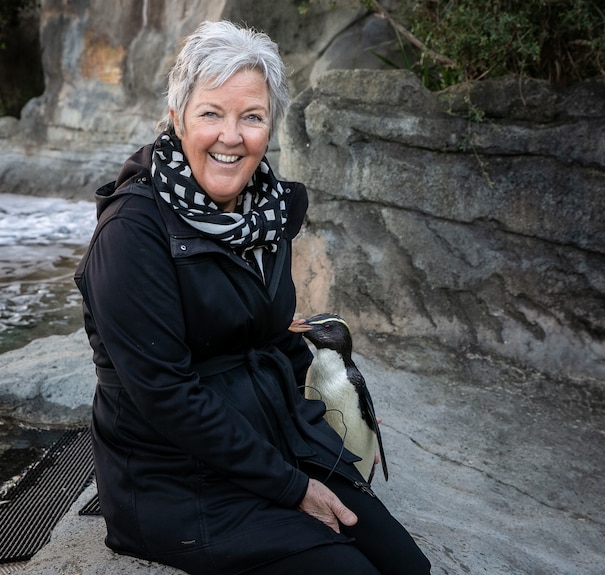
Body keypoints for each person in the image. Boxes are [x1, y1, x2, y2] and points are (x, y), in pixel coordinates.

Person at [74, 19, 431, 575]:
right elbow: (165, 395)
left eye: (252, 117)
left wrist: (339, 415)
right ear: (177, 119)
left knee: (409, 569)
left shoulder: (264, 214)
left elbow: (272, 336)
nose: (231, 135)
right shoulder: (132, 232)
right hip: (175, 482)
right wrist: (293, 489)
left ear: (270, 126)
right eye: (211, 113)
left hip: (270, 447)